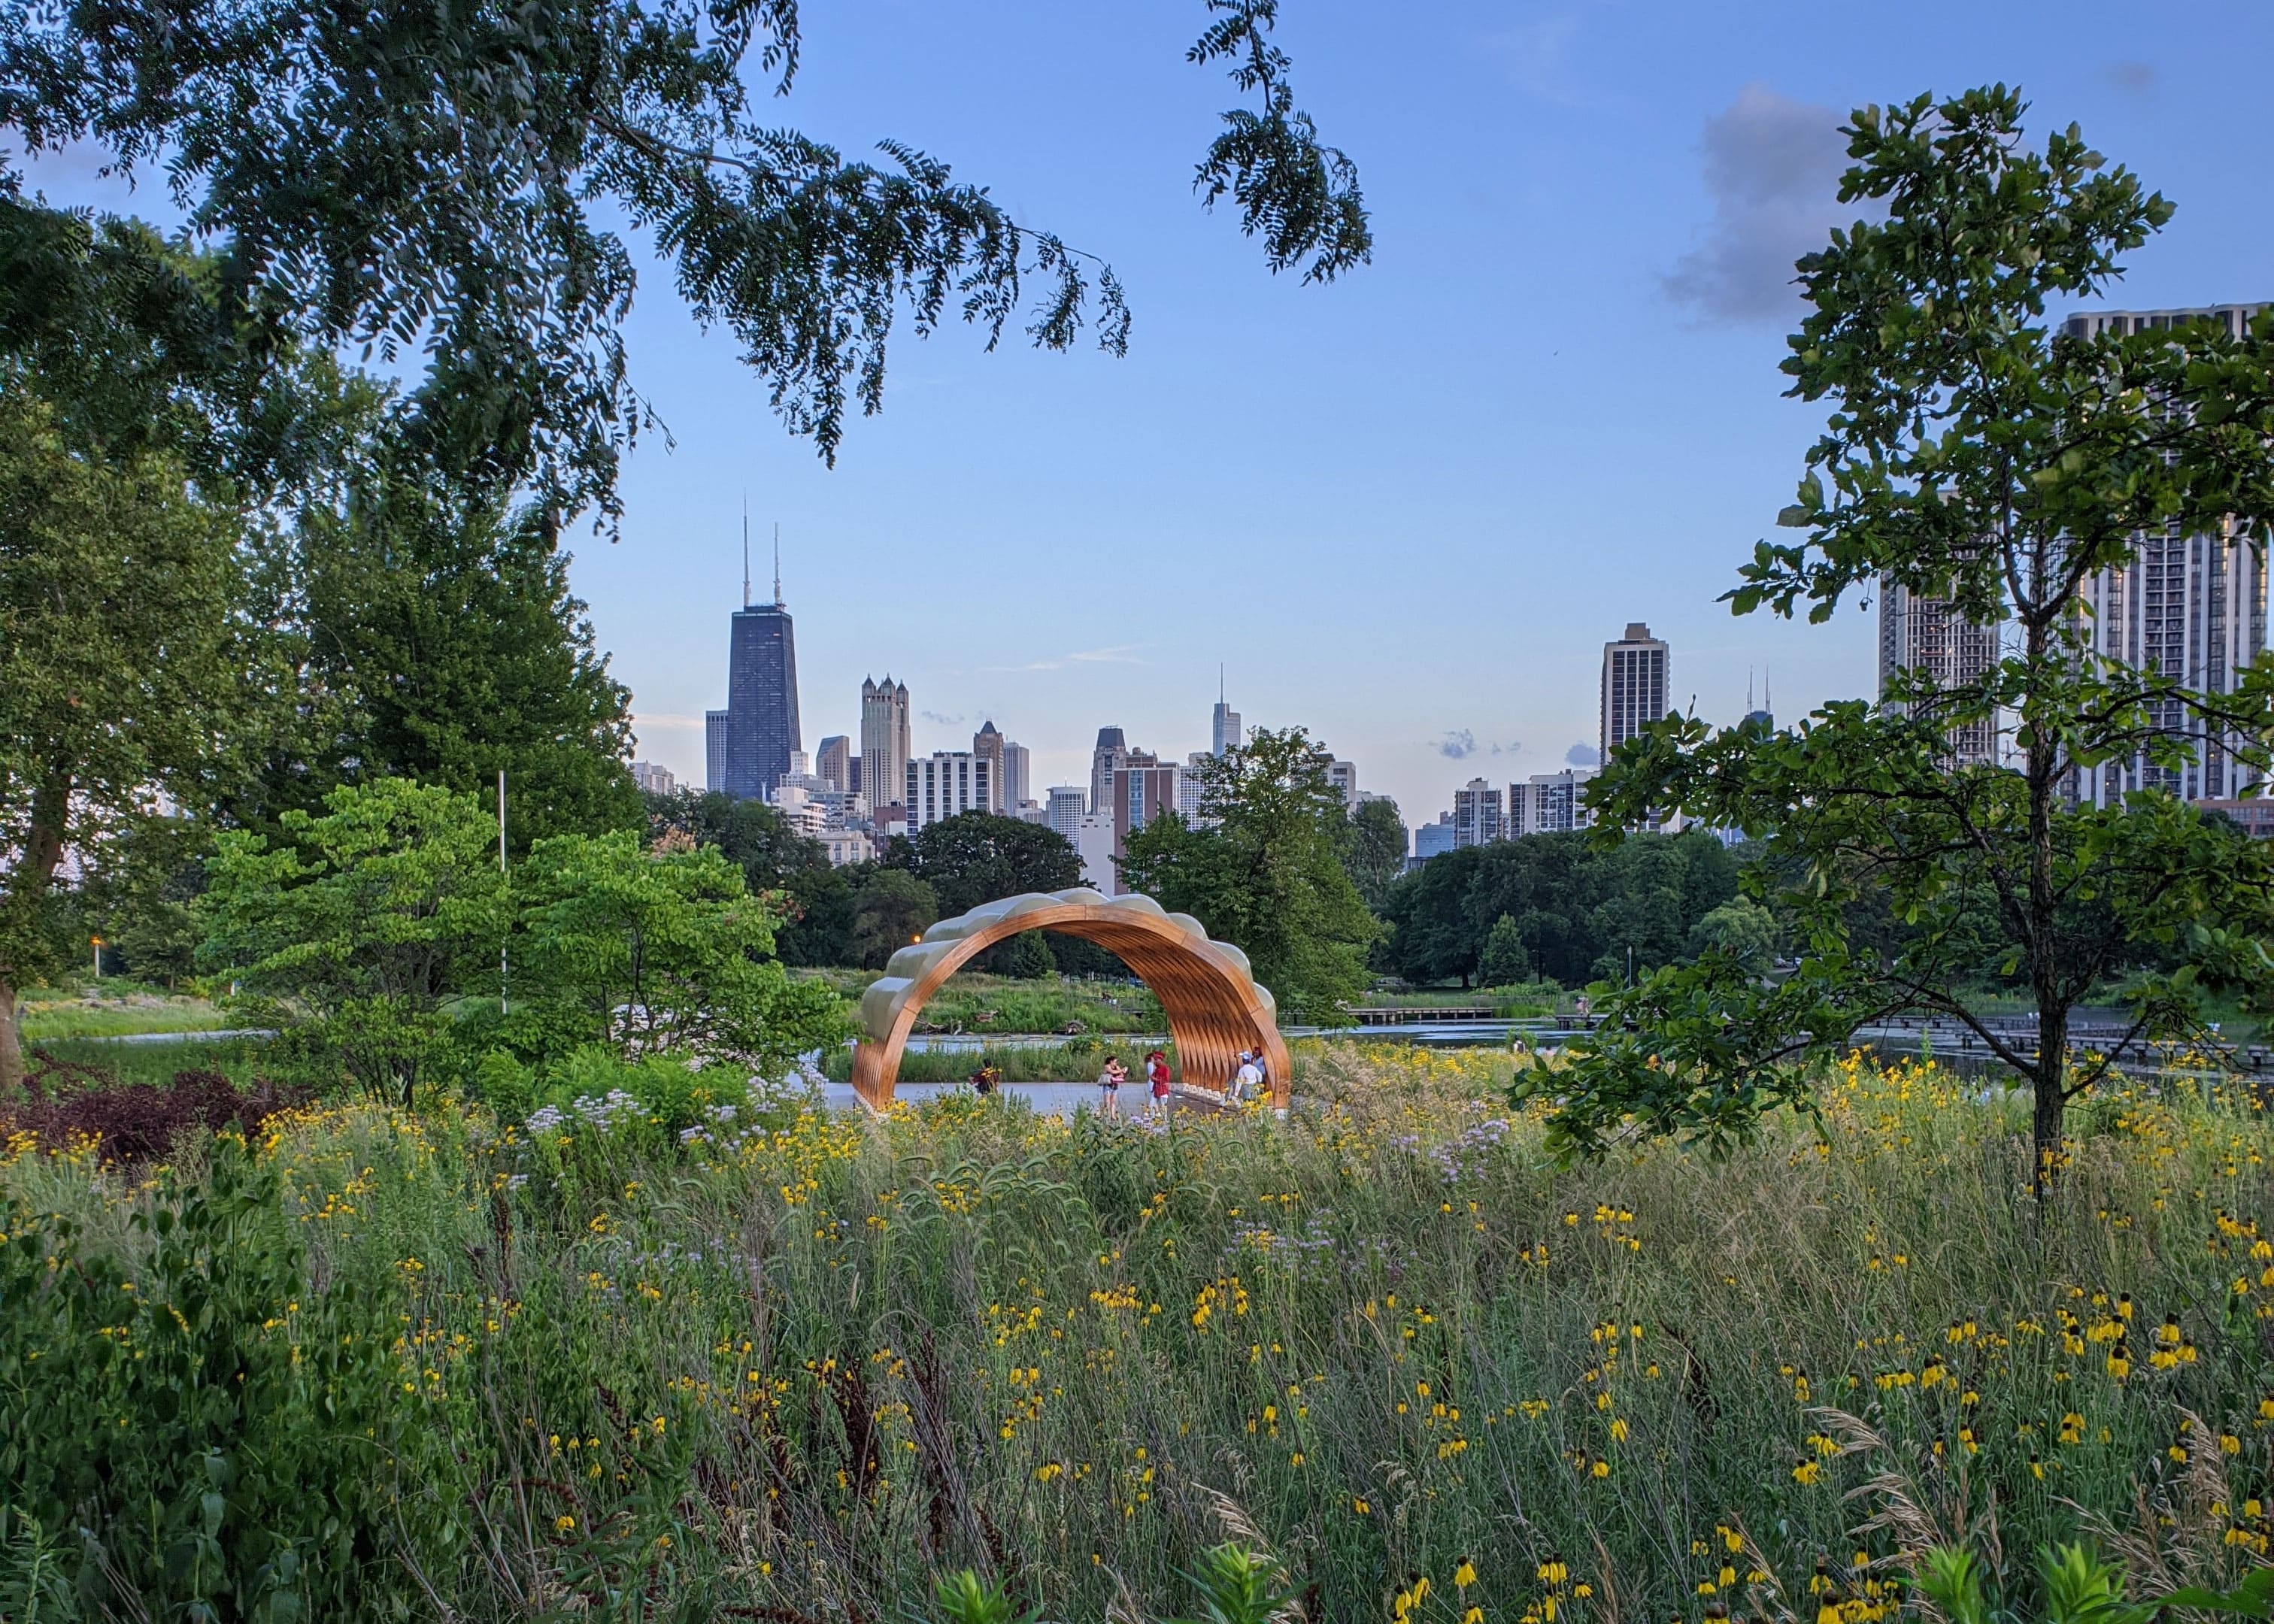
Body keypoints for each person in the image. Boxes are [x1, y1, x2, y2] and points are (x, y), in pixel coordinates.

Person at [1097, 1054, 1126, 1120]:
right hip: (1108, 1086)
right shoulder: (1107, 1066)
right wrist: (1121, 1070)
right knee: (1106, 1103)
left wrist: (1119, 1074)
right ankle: (1099, 1113)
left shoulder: (1117, 1067)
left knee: (1113, 1102)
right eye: (1115, 1062)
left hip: (1115, 1086)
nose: (1116, 1063)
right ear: (1111, 1061)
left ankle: (1113, 1116)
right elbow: (1112, 1071)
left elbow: (1122, 1075)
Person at [1145, 1049, 1172, 1117]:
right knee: (1152, 1104)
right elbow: (1152, 1077)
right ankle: (1152, 1119)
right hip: (1156, 1090)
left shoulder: (1165, 1068)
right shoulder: (1157, 1069)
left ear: (1160, 1060)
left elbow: (1166, 1080)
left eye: (1156, 1060)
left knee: (1163, 1108)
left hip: (1163, 1091)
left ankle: (1164, 1121)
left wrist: (1155, 1079)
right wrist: (1153, 1079)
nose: (1154, 1062)